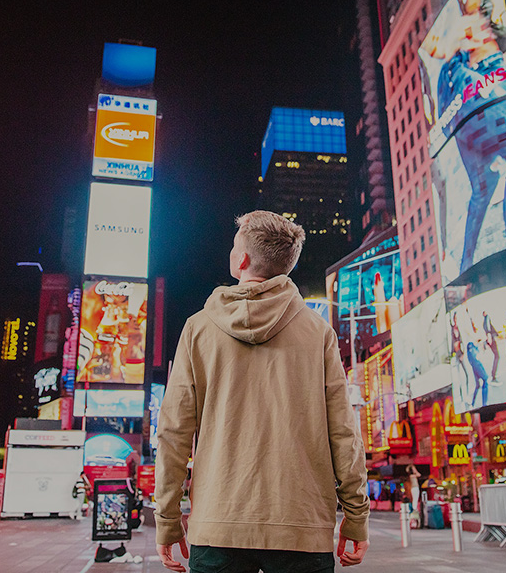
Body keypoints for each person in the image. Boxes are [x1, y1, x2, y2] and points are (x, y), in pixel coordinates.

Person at [155, 211, 370, 573]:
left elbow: (173, 432)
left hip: (217, 526)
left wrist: (168, 518)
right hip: (301, 527)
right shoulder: (318, 332)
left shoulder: (198, 329)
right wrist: (356, 515)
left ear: (241, 260)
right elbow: (344, 433)